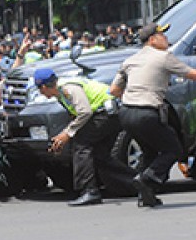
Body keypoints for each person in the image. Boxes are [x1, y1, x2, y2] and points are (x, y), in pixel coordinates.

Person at [109, 22, 196, 207]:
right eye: (162, 35)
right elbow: (194, 75)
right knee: (173, 149)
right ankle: (146, 177)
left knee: (150, 151)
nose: (166, 38)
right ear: (152, 40)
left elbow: (114, 90)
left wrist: (134, 96)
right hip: (147, 113)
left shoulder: (130, 60)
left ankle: (146, 196)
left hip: (126, 113)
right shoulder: (164, 57)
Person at [34, 68, 137, 206]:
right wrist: (63, 136)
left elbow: (84, 112)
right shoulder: (60, 93)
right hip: (109, 114)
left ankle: (89, 191)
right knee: (99, 155)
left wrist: (67, 134)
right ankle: (137, 183)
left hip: (106, 113)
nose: (41, 93)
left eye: (40, 89)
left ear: (44, 87)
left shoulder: (68, 88)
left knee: (82, 146)